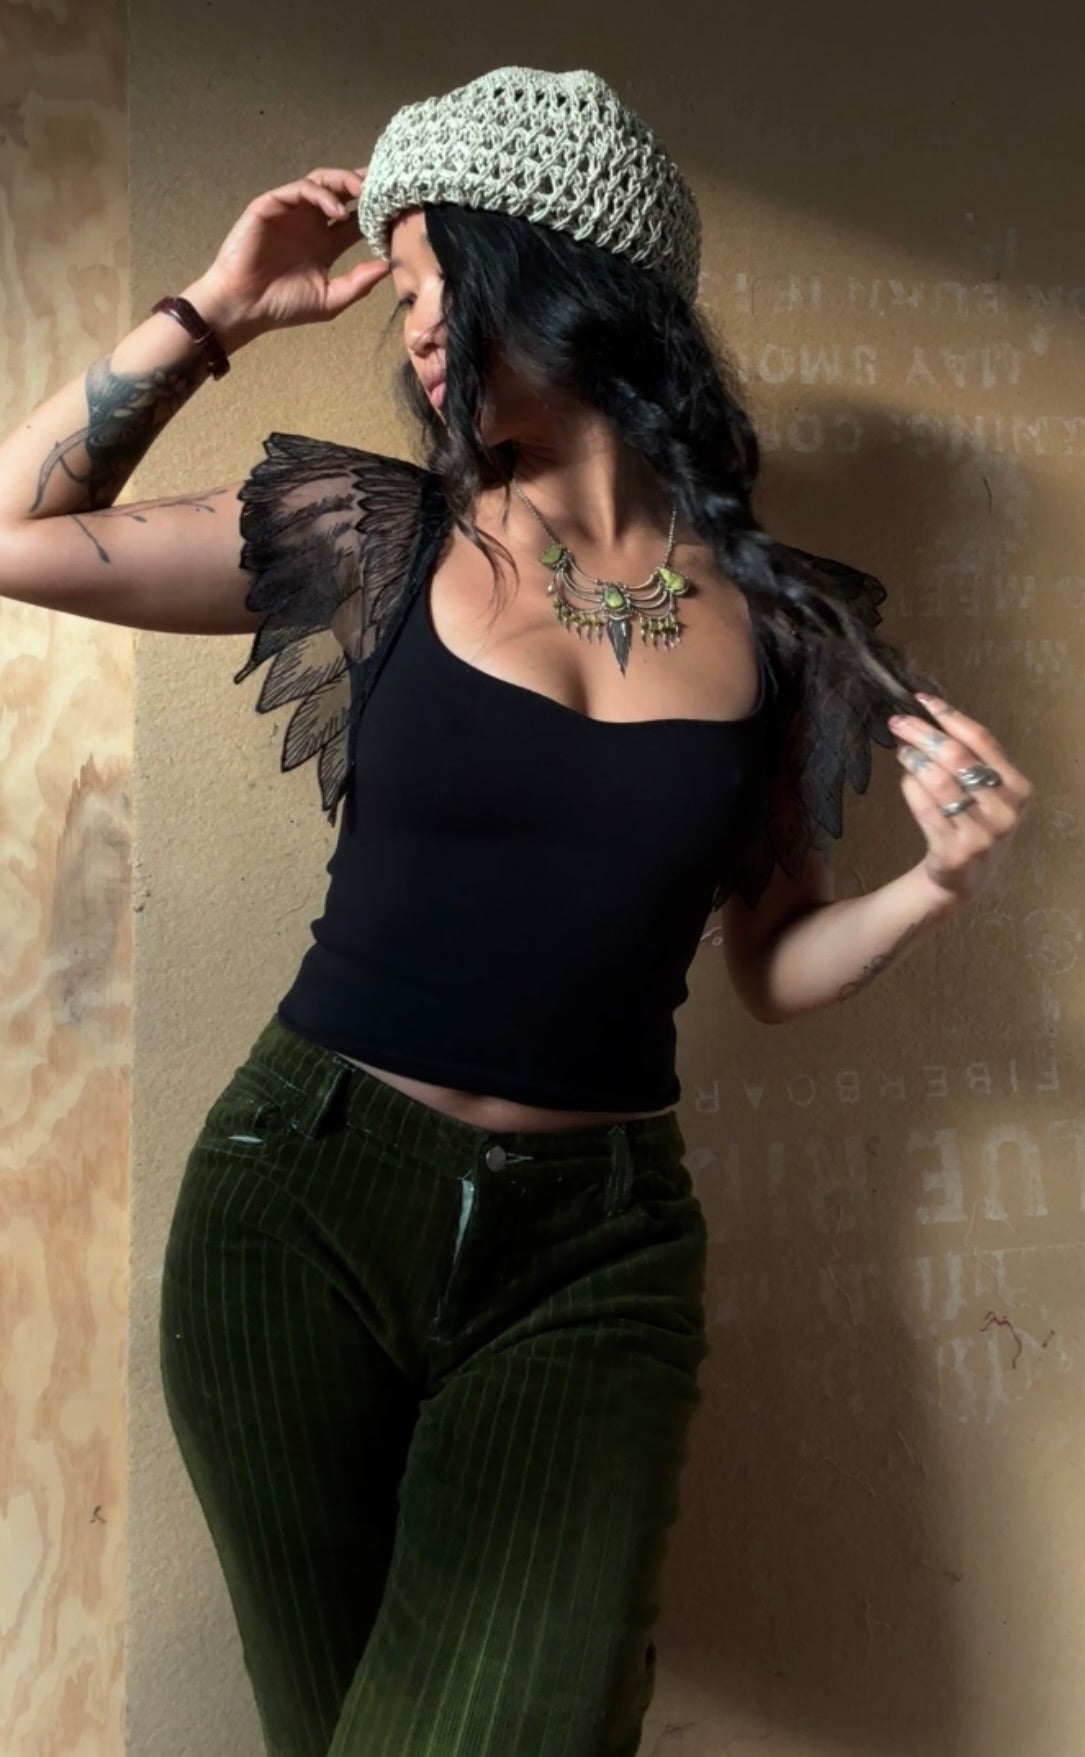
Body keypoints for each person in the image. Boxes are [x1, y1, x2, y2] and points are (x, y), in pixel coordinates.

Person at [0, 64, 1031, 1757]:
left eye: (433, 281)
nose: (409, 327)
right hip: (296, 1211)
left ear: (555, 274)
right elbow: (18, 532)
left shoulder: (781, 630)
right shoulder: (375, 536)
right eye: (401, 292)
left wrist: (936, 883)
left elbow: (772, 964)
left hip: (593, 1257)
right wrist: (216, 311)